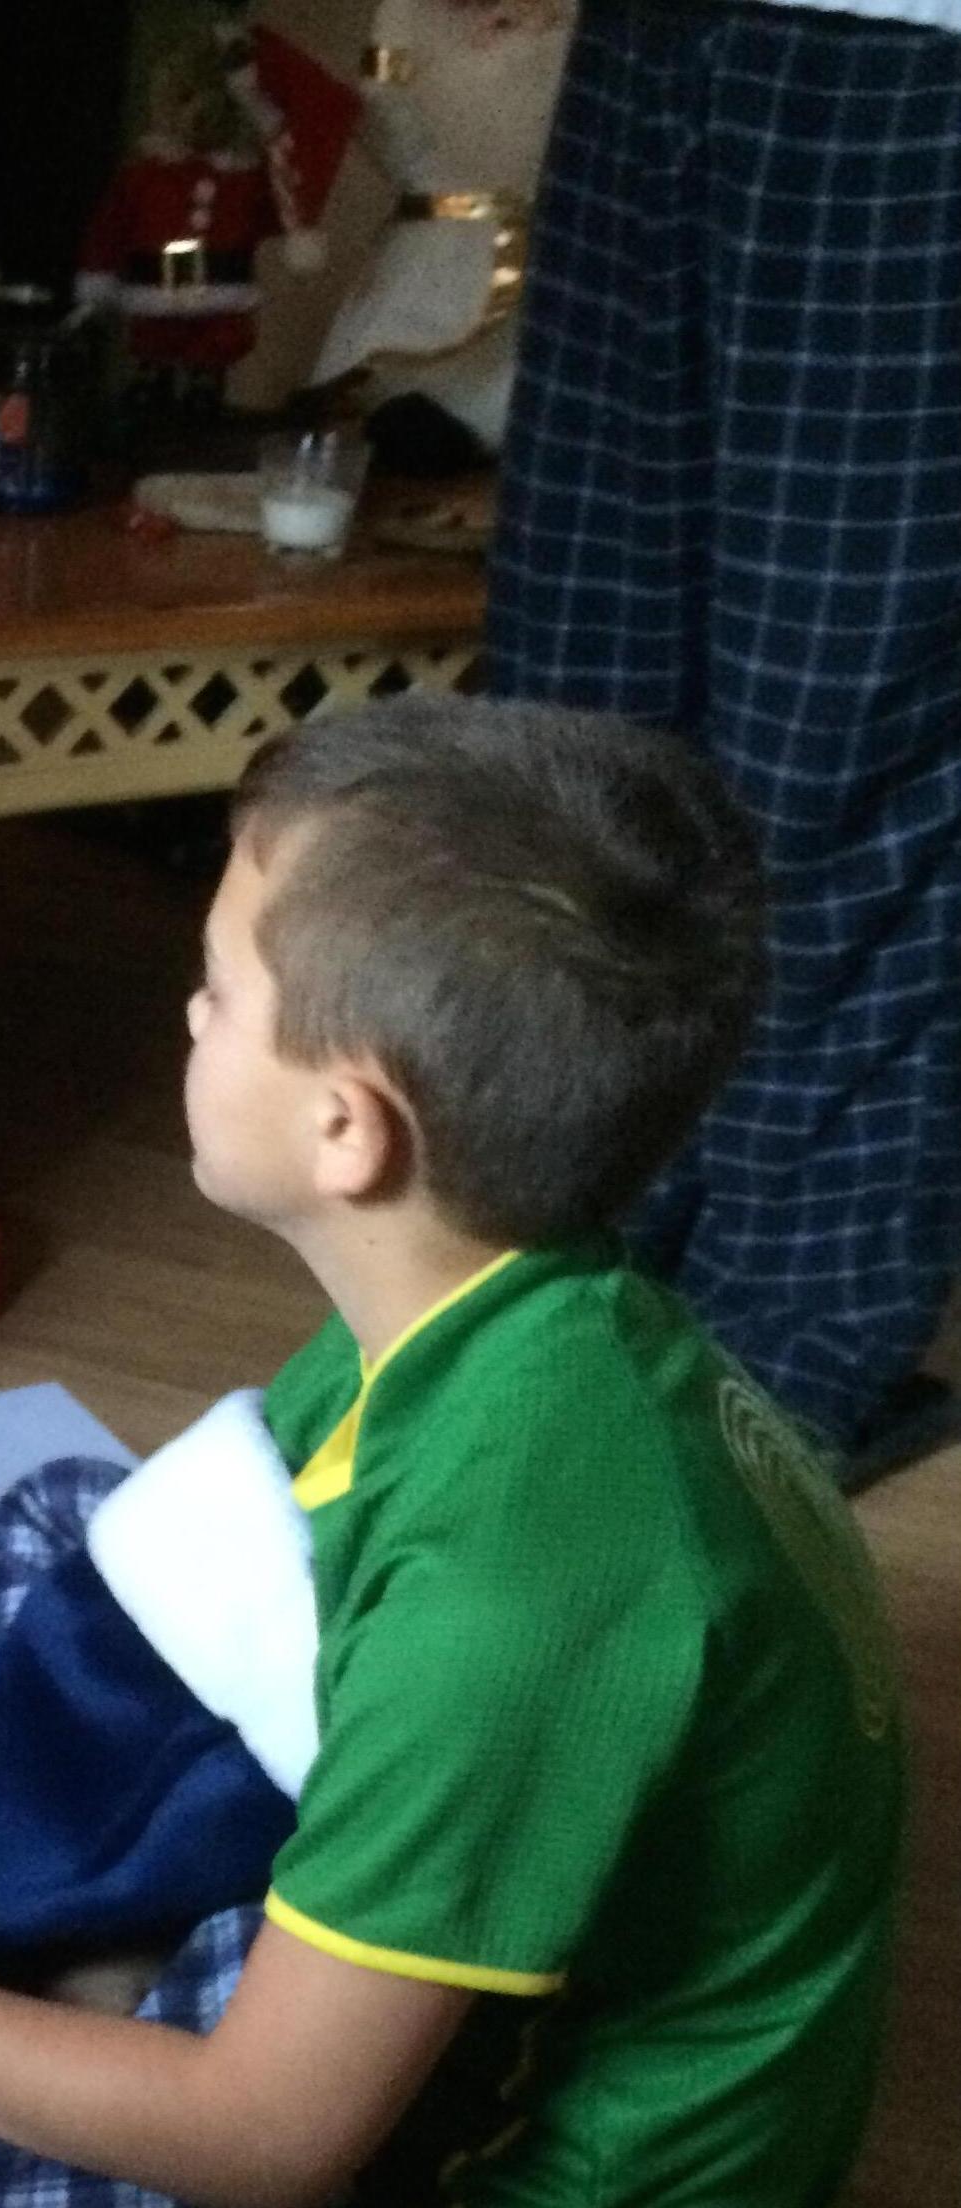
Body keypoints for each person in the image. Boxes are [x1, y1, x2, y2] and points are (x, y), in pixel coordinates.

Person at [0, 697, 905, 2208]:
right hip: (465, 1823)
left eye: (219, 987)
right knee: (59, 1514)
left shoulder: (514, 1596)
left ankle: (50, 1992)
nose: (185, 1010)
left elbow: (266, 2142)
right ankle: (97, 1972)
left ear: (350, 1129)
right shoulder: (504, 1308)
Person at [488, 0, 961, 1490]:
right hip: (650, 36)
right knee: (571, 724)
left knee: (839, 746)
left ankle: (767, 1384)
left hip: (917, 58)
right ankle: (557, 1275)